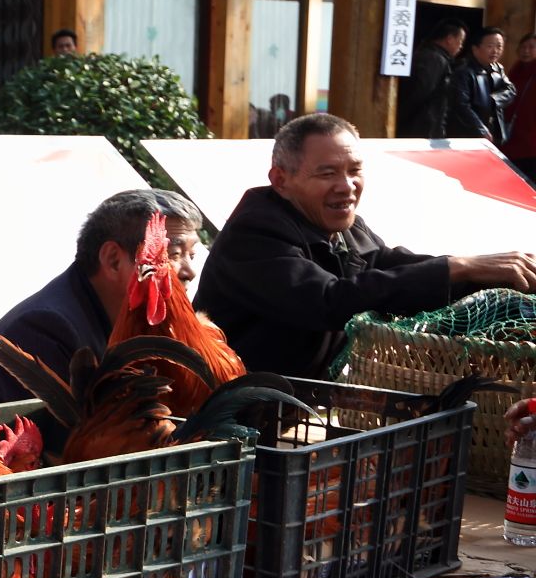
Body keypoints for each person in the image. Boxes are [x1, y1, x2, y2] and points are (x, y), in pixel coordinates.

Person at [193, 113, 536, 380]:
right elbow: (329, 300)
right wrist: (456, 267)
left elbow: (390, 265)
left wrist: (490, 274)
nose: (347, 186)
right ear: (281, 180)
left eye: (354, 170)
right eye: (327, 174)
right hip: (232, 408)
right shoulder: (255, 232)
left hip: (298, 398)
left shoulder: (343, 224)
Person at [0, 189, 202, 447]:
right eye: (173, 255)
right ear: (113, 260)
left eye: (192, 255)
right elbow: (67, 453)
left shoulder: (132, 321)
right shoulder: (45, 326)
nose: (189, 271)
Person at [395, 19, 466, 140]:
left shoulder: (433, 56)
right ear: (449, 39)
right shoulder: (434, 59)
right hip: (422, 129)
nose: (461, 47)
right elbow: (419, 93)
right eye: (460, 42)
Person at [449, 25, 517, 147]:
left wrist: (494, 100)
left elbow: (510, 90)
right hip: (468, 134)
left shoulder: (497, 68)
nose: (495, 51)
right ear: (475, 48)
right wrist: (480, 129)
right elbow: (461, 105)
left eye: (499, 46)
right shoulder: (464, 71)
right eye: (490, 46)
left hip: (492, 131)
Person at [503, 33, 536, 182]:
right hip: (513, 133)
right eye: (523, 47)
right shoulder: (516, 69)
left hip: (531, 139)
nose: (526, 51)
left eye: (531, 47)